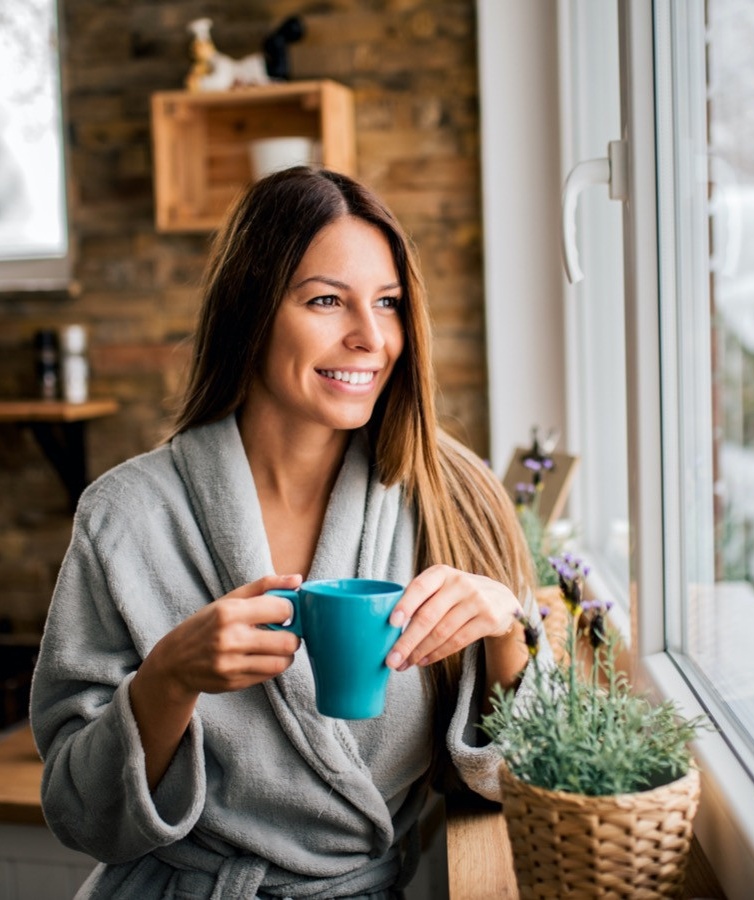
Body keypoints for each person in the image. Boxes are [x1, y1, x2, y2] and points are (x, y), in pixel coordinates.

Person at [30, 166, 537, 899]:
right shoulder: (126, 516)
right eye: (327, 301)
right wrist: (167, 680)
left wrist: (504, 633)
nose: (370, 337)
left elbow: (522, 777)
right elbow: (81, 814)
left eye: (388, 303)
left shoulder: (450, 496)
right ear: (252, 311)